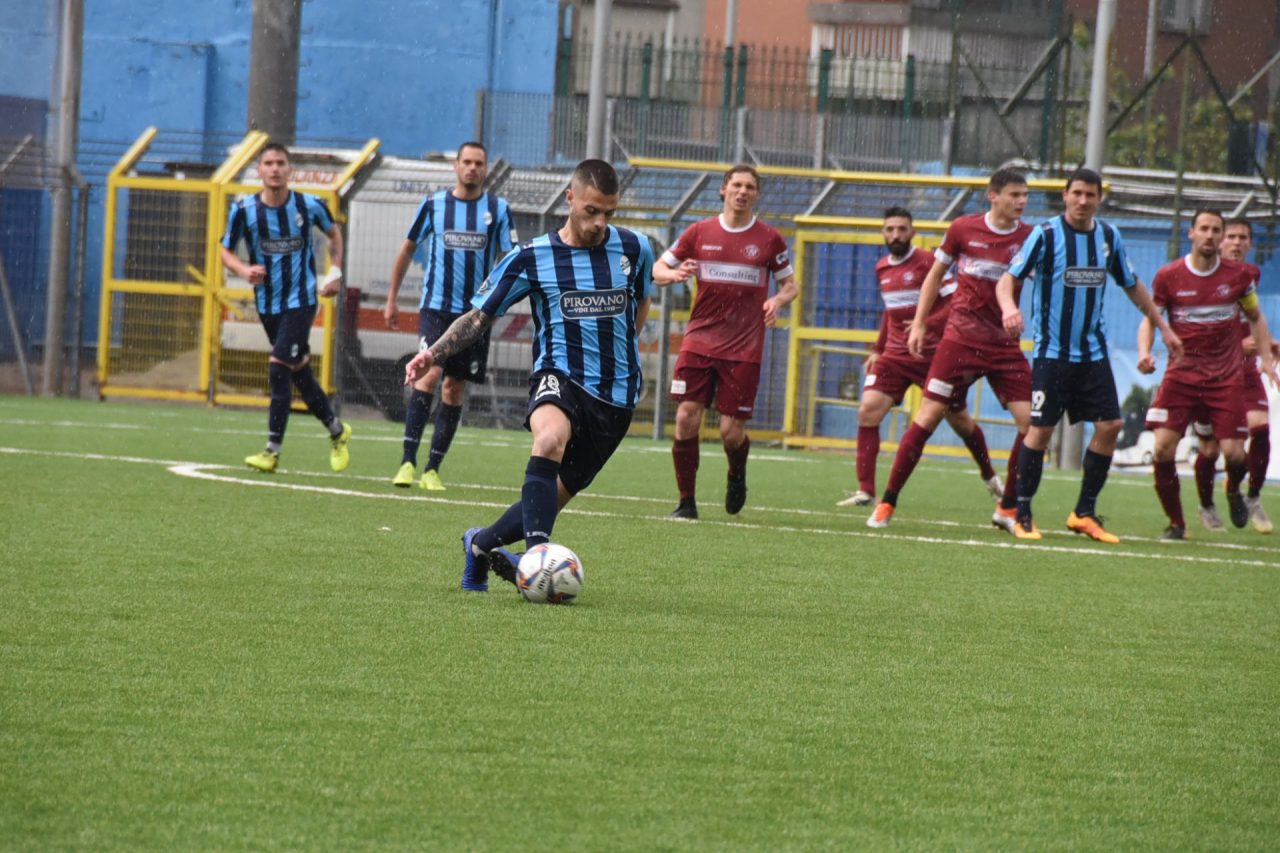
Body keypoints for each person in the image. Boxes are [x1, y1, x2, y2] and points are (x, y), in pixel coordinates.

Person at [404, 159, 654, 592]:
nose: (600, 223)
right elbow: (478, 318)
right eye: (592, 210)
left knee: (545, 501)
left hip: (616, 397)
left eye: (609, 213)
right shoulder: (531, 257)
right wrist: (433, 354)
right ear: (570, 199)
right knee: (549, 439)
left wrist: (622, 347)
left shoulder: (635, 248)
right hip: (559, 375)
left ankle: (480, 545)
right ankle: (536, 563)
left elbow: (642, 299)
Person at [995, 168, 1182, 542]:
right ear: (1065, 195)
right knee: (1040, 431)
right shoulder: (1045, 235)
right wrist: (1009, 308)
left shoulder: (1109, 237)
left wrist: (1162, 326)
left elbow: (1131, 285)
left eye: (1090, 194)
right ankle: (1022, 512)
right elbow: (1008, 279)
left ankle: (1084, 512)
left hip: (1093, 353)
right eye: (1077, 193)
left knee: (1110, 426)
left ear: (1099, 198)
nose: (1083, 201)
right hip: (1052, 353)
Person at [867, 167, 1033, 531]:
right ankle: (887, 502)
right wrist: (921, 323)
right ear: (993, 196)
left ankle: (1007, 508)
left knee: (1032, 424)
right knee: (928, 416)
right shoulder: (963, 229)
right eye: (1015, 195)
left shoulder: (1030, 237)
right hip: (960, 342)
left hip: (1004, 346)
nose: (1022, 201)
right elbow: (935, 275)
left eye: (1025, 196)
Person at [652, 165, 797, 520]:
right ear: (723, 190)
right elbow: (658, 269)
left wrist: (777, 301)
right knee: (686, 418)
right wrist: (674, 274)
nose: (742, 192)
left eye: (749, 187)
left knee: (731, 432)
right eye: (737, 185)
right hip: (699, 340)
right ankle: (686, 502)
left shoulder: (769, 239)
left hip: (744, 347)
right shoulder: (699, 232)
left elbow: (790, 286)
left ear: (756, 195)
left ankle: (736, 473)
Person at [837, 206, 1003, 507]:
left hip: (935, 358)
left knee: (961, 422)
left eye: (902, 229)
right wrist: (878, 349)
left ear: (912, 232)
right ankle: (866, 491)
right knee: (867, 410)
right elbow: (890, 311)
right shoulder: (882, 267)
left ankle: (990, 477)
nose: (896, 235)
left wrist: (924, 323)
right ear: (882, 233)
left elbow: (956, 301)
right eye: (890, 230)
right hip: (896, 357)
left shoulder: (928, 262)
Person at [1137, 209, 1280, 540]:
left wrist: (1266, 359)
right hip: (1181, 376)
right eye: (1204, 228)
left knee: (1234, 454)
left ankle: (1234, 490)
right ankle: (1177, 523)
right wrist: (1145, 351)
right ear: (1191, 233)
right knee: (1163, 448)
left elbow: (1255, 317)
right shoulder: (1169, 276)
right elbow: (1151, 318)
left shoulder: (1239, 276)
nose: (1210, 235)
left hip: (1225, 379)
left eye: (1216, 230)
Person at [383, 141, 517, 491]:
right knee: (428, 375)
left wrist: (499, 299)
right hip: (436, 308)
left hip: (475, 314)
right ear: (456, 166)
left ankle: (432, 468)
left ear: (486, 169)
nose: (472, 168)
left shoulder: (498, 209)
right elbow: (408, 248)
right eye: (467, 162)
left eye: (479, 163)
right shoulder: (433, 205)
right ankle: (407, 462)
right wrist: (392, 298)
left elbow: (509, 258)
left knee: (454, 388)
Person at [219, 141, 352, 474]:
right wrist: (244, 270)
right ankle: (337, 430)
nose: (275, 169)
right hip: (268, 304)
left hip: (301, 301)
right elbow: (225, 250)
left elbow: (335, 236)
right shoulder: (244, 210)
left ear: (289, 169)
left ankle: (272, 451)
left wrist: (335, 272)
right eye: (269, 163)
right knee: (299, 373)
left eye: (280, 163)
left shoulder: (309, 205)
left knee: (278, 367)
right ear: (259, 170)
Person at [1189, 217, 1275, 533]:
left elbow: (1252, 317)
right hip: (1209, 372)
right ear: (1221, 240)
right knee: (1211, 448)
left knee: (1260, 428)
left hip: (1244, 371)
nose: (1237, 243)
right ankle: (1206, 504)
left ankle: (1250, 495)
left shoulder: (1249, 274)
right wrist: (1238, 345)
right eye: (1232, 236)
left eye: (1244, 238)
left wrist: (1266, 345)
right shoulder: (1199, 275)